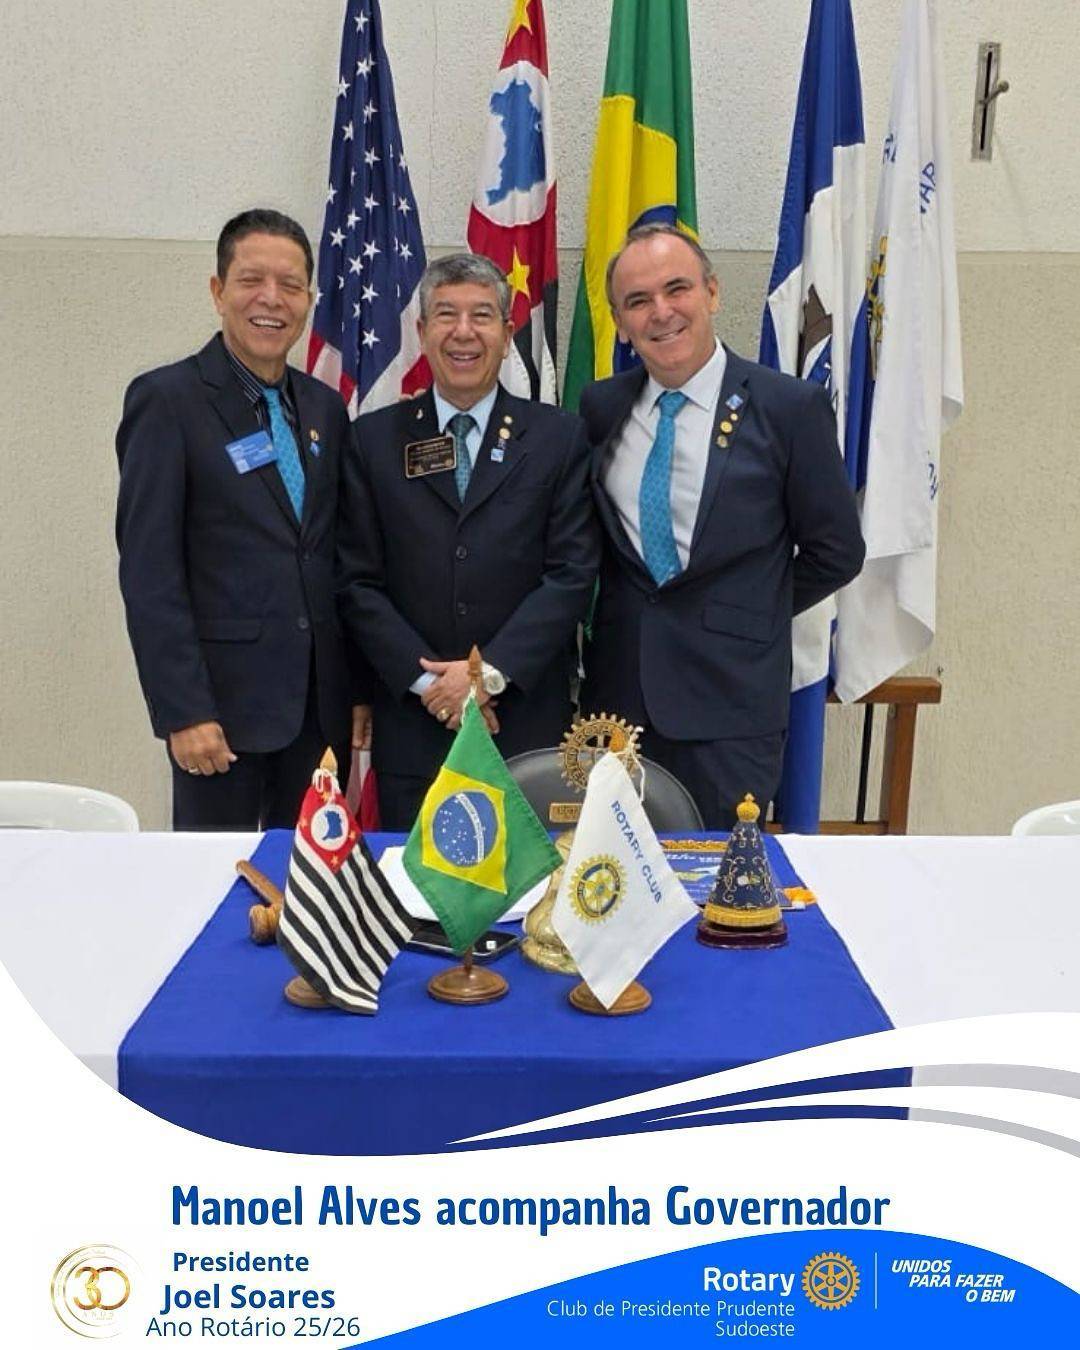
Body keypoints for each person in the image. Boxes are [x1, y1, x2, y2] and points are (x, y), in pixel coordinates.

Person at [579, 223, 865, 829]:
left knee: (717, 880)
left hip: (730, 711)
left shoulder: (788, 408)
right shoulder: (600, 408)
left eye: (676, 289)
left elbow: (837, 550)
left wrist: (748, 607)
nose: (661, 312)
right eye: (638, 301)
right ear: (621, 323)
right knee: (612, 875)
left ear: (711, 292)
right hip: (618, 706)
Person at [116, 209, 363, 830]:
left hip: (318, 716)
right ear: (218, 290)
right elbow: (149, 572)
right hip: (219, 718)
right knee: (213, 877)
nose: (271, 299)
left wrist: (356, 690)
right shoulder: (167, 402)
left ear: (309, 300)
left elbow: (333, 558)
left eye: (291, 285)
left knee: (306, 876)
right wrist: (183, 711)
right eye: (252, 280)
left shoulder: (325, 409)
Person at [337, 253, 599, 829]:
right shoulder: (371, 441)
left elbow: (572, 574)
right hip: (417, 727)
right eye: (446, 314)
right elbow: (357, 582)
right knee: (415, 883)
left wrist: (486, 676)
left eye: (481, 316)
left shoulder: (558, 437)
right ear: (421, 330)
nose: (463, 332)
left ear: (507, 334)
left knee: (531, 879)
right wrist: (435, 684)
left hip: (523, 724)